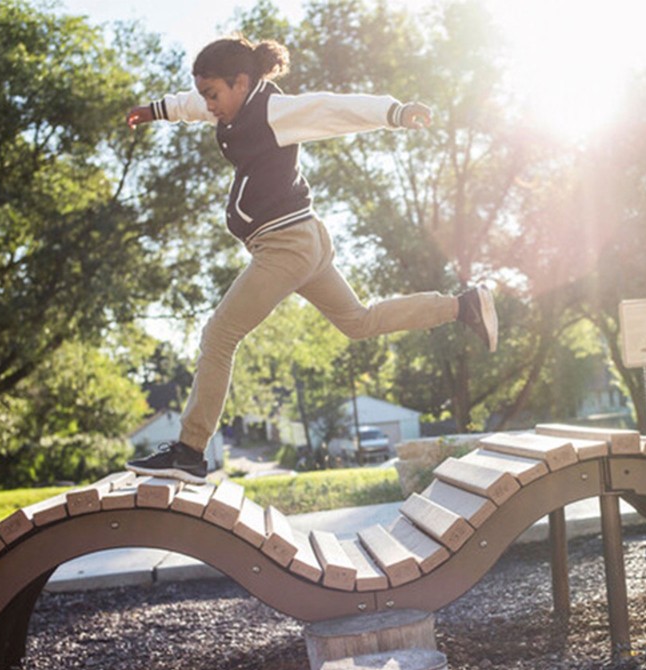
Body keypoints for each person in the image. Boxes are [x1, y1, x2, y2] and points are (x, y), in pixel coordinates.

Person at [125, 35, 498, 484]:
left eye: (213, 95)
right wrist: (156, 109)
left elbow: (333, 108)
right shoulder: (231, 103)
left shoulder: (274, 111)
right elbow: (191, 104)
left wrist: (394, 112)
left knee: (219, 336)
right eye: (204, 96)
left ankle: (189, 449)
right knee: (359, 321)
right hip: (306, 240)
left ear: (241, 82)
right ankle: (462, 305)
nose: (208, 106)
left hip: (286, 246)